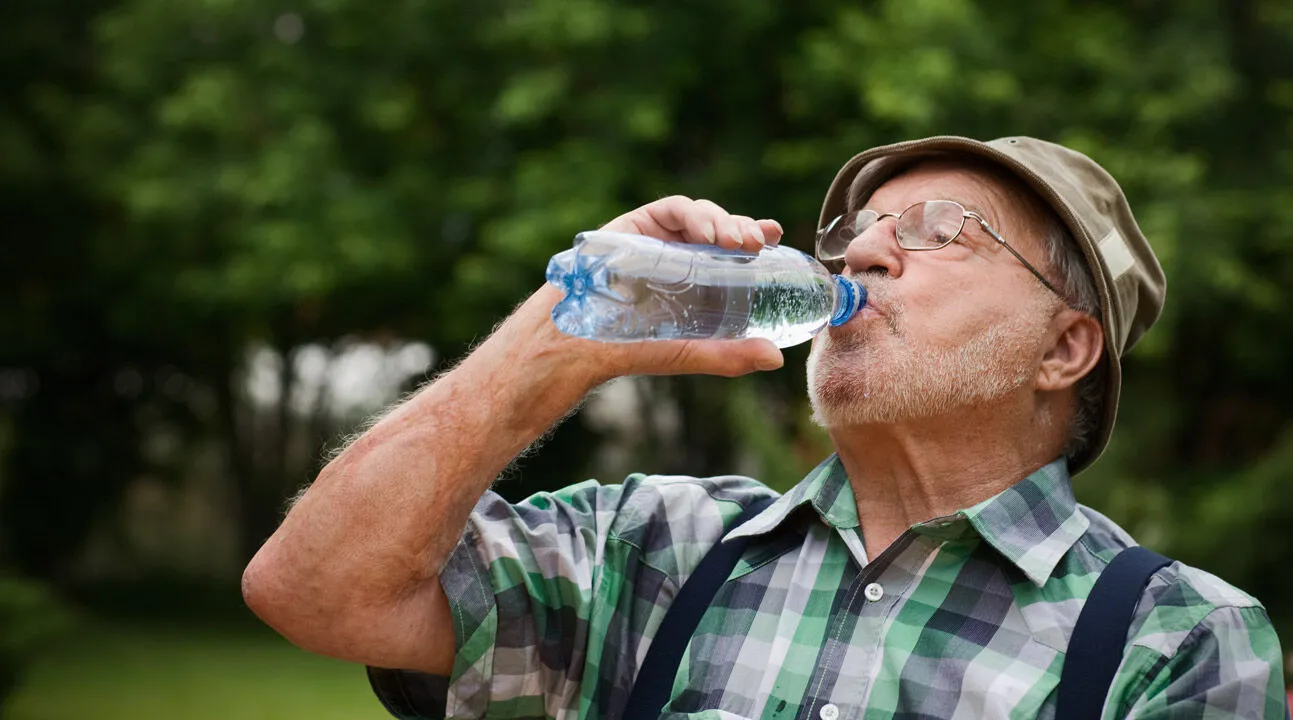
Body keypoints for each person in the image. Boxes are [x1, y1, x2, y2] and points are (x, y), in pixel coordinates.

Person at [242, 136, 1290, 719]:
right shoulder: (652, 549)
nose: (864, 257)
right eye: (860, 232)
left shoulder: (1175, 642)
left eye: (937, 236)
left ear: (1064, 351)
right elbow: (314, 590)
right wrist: (562, 336)